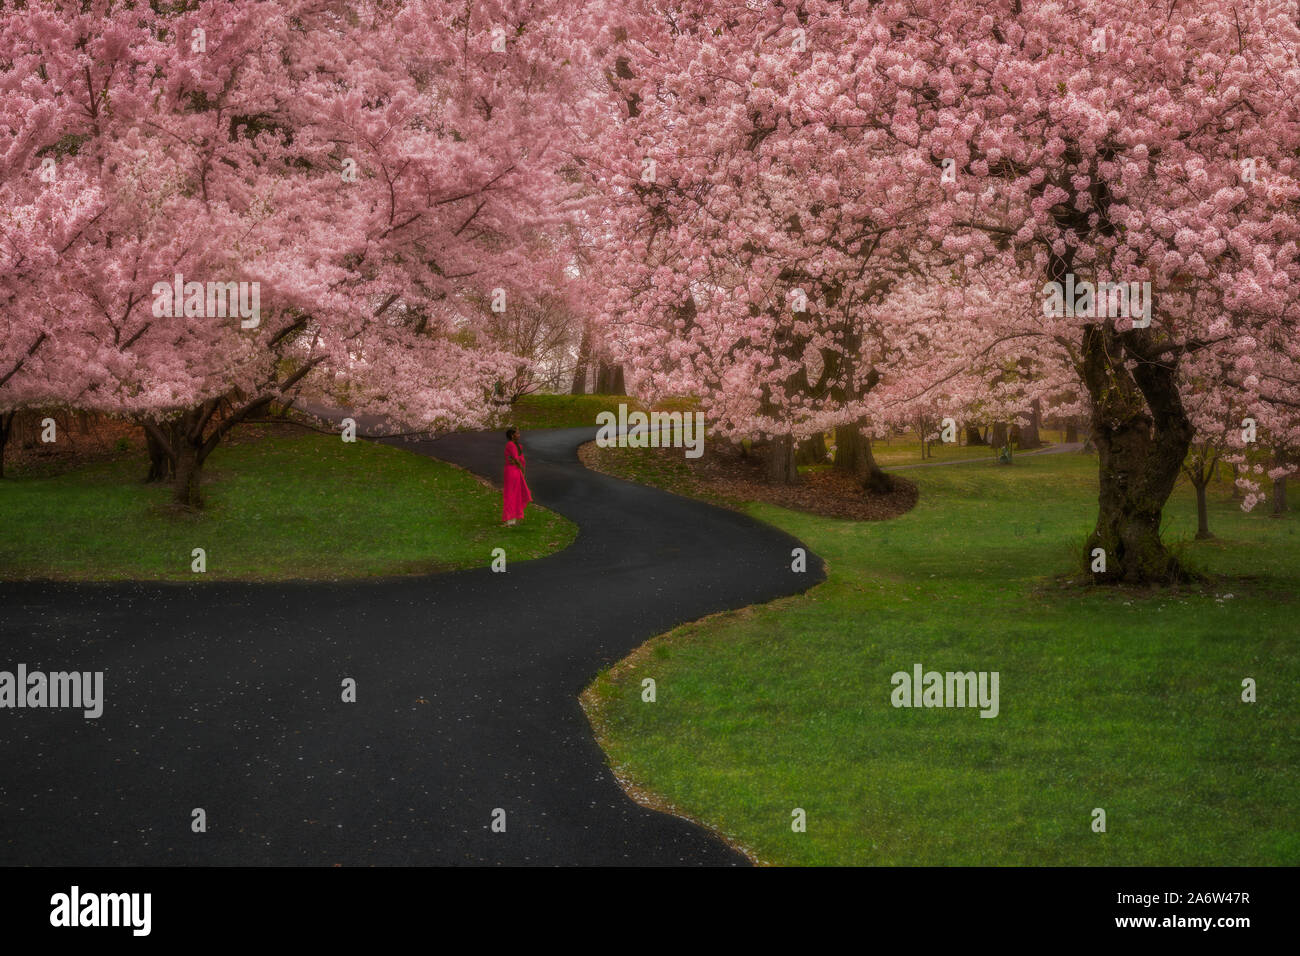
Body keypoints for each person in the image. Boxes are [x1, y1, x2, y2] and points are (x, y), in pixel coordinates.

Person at [503, 427, 532, 525]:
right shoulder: (511, 445)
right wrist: (522, 470)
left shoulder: (517, 445)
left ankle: (513, 517)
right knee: (511, 493)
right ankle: (509, 518)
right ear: (512, 435)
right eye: (517, 433)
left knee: (517, 493)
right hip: (512, 471)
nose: (519, 435)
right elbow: (516, 459)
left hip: (516, 471)